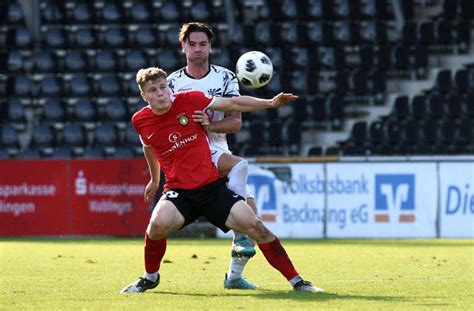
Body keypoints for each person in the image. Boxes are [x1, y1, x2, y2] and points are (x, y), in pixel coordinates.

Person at [120, 67, 324, 294]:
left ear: (168, 86)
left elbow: (233, 104)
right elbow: (148, 147)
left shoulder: (190, 99)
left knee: (257, 227)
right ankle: (150, 277)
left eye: (162, 87)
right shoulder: (140, 120)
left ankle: (298, 282)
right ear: (144, 96)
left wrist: (269, 103)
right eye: (153, 90)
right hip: (180, 191)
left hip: (212, 189)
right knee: (156, 225)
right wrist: (154, 179)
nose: (161, 93)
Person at [167, 22, 258, 290]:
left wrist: (210, 126)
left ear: (210, 47)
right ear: (183, 46)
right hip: (188, 151)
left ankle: (233, 278)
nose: (198, 49)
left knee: (253, 220)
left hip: (218, 147)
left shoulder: (226, 77)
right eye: (192, 44)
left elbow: (236, 123)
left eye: (203, 44)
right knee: (241, 169)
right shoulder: (172, 82)